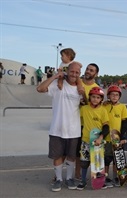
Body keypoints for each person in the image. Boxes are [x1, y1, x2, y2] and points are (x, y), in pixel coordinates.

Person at [36, 61, 83, 192]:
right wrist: (55, 76)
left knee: (72, 156)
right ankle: (58, 179)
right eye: (72, 71)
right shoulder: (57, 85)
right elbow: (40, 89)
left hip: (74, 130)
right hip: (57, 128)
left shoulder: (80, 89)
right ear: (67, 71)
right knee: (57, 156)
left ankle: (69, 178)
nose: (74, 74)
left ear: (80, 74)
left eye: (77, 72)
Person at [76, 87, 109, 190]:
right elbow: (78, 122)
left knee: (98, 163)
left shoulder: (103, 110)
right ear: (89, 97)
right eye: (93, 97)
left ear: (101, 99)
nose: (95, 99)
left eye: (98, 97)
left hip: (98, 141)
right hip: (85, 140)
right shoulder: (84, 109)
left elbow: (106, 127)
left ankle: (100, 181)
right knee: (84, 162)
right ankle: (83, 181)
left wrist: (100, 137)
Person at [103, 85, 127, 187]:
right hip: (106, 138)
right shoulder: (104, 106)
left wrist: (122, 137)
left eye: (116, 95)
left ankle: (115, 177)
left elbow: (125, 123)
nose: (114, 96)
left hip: (117, 139)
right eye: (112, 94)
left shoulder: (122, 107)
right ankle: (105, 177)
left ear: (119, 96)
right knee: (107, 159)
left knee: (116, 160)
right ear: (108, 96)